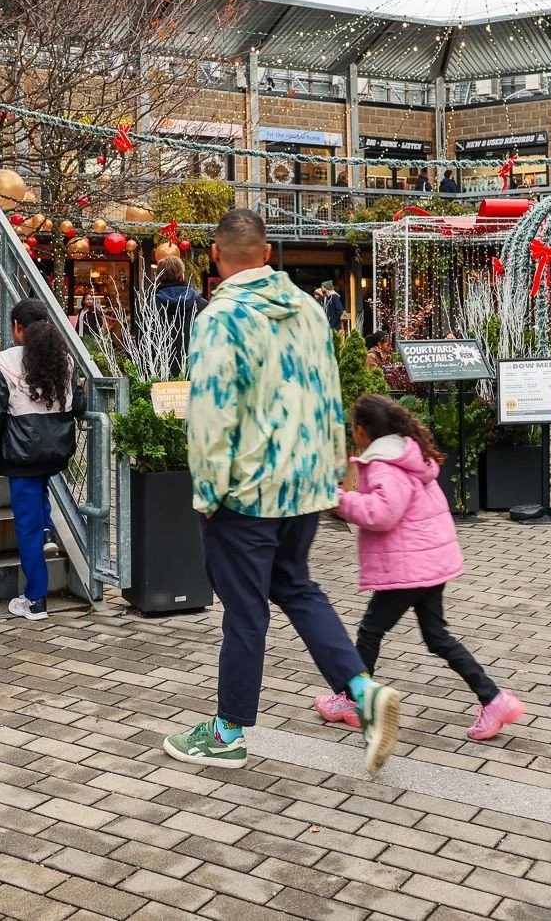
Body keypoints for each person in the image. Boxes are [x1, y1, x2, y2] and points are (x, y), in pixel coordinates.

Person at [163, 209, 402, 773]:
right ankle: (362, 692)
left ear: (215, 257)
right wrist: (333, 471)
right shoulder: (310, 310)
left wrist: (209, 491)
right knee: (295, 587)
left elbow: (212, 412)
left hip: (246, 488)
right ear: (267, 253)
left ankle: (227, 732)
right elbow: (326, 391)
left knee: (245, 610)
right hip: (303, 482)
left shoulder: (220, 318)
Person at [317, 394, 526, 741]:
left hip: (408, 568)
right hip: (429, 564)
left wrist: (341, 499)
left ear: (362, 431)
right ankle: (494, 699)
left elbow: (382, 514)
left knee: (371, 631)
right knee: (437, 637)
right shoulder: (406, 455)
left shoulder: (384, 463)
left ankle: (354, 700)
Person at [0, 299, 86, 620]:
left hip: (20, 454)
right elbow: (78, 405)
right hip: (54, 451)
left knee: (26, 526)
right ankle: (48, 532)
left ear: (17, 327)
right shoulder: (63, 360)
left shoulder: (2, 363)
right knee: (39, 498)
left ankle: (36, 599)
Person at [154, 255, 207, 377]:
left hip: (160, 378)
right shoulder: (202, 305)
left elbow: (142, 347)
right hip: (196, 376)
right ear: (182, 275)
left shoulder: (150, 307)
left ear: (159, 277)